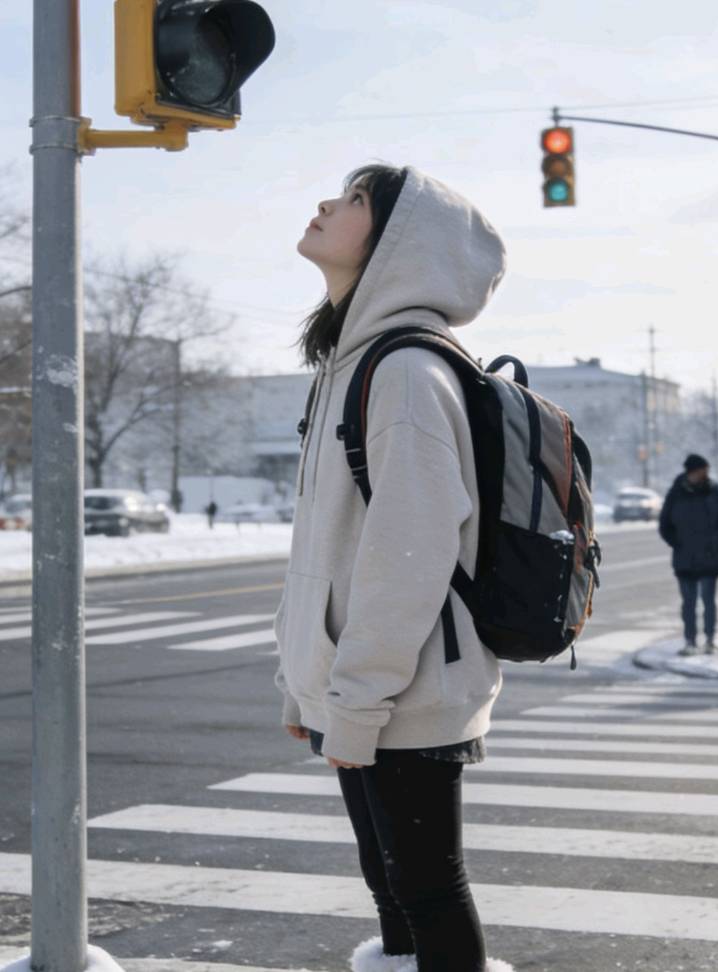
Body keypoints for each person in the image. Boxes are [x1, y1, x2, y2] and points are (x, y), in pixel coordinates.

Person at [273, 165, 512, 972]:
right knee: (392, 885)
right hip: (364, 682)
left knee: (425, 887)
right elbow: (326, 541)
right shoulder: (351, 362)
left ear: (397, 241)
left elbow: (407, 556)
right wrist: (304, 681)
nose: (324, 204)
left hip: (405, 684)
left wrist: (357, 696)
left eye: (351, 199)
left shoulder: (406, 373)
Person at [659, 454, 718, 655]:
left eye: (706, 470)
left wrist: (717, 542)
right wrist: (678, 544)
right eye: (701, 470)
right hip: (685, 558)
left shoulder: (714, 491)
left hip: (710, 556)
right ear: (692, 472)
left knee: (709, 601)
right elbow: (665, 525)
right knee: (688, 603)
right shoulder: (676, 493)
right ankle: (690, 640)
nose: (705, 474)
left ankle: (709, 640)